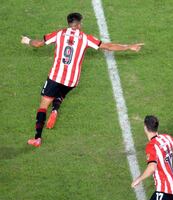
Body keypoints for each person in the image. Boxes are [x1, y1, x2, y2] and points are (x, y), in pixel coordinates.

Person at [21, 12, 144, 147]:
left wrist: (27, 40)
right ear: (79, 25)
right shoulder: (85, 38)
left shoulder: (59, 34)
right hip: (72, 80)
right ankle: (56, 108)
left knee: (43, 106)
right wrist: (128, 46)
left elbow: (38, 44)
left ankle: (37, 138)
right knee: (63, 91)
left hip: (55, 77)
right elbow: (108, 46)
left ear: (69, 23)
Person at [131, 115, 173, 200]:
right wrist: (167, 161)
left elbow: (152, 168)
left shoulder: (151, 145)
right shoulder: (166, 137)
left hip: (165, 190)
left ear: (145, 127)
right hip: (172, 188)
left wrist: (139, 179)